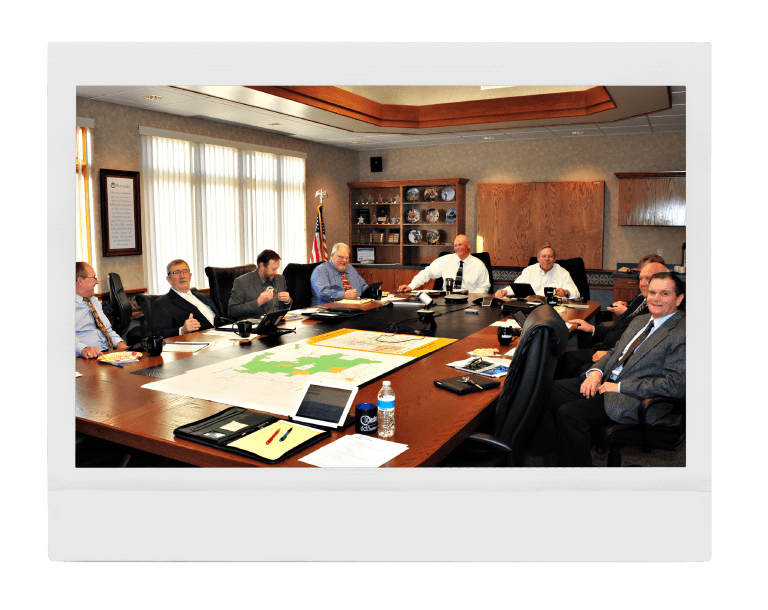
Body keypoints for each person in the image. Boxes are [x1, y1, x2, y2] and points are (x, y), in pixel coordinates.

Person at [544, 272, 685, 466]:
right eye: (652, 292)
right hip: (605, 381)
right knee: (542, 393)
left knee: (569, 414)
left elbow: (675, 385)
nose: (656, 298)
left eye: (664, 293)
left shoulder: (682, 333)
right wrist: (596, 372)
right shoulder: (640, 320)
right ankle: (554, 463)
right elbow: (614, 352)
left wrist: (619, 387)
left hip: (636, 399)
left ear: (679, 299)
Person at [556, 256, 667, 378]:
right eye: (641, 278)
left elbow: (642, 348)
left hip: (615, 356)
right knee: (563, 360)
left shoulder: (657, 310)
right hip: (609, 348)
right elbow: (624, 329)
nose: (643, 283)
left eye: (648, 278)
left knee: (569, 366)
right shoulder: (641, 299)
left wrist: (611, 355)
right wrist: (591, 328)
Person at [397, 235, 491, 294]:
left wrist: (471, 297)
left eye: (460, 244)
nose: (457, 248)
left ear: (468, 245)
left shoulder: (479, 265)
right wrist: (411, 286)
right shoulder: (445, 260)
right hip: (447, 300)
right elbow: (427, 272)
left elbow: (484, 287)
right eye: (455, 245)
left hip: (469, 301)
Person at [152, 259, 221, 338]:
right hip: (198, 341)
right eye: (176, 272)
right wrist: (182, 330)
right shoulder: (162, 303)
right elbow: (160, 333)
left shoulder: (204, 297)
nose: (182, 276)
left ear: (190, 276)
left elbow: (218, 320)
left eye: (185, 271)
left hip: (221, 336)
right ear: (169, 279)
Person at [76, 262, 129, 358]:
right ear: (80, 281)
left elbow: (107, 330)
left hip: (106, 353)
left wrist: (121, 344)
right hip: (85, 357)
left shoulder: (93, 301)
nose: (97, 282)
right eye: (94, 278)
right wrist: (83, 349)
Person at [495, 245, 579, 300]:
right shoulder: (529, 271)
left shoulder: (563, 273)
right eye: (544, 256)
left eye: (550, 256)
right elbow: (517, 287)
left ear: (554, 259)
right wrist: (504, 291)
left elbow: (576, 293)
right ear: (538, 258)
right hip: (531, 307)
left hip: (553, 308)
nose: (547, 259)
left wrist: (566, 293)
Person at [228, 249, 292, 319]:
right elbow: (232, 311)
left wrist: (287, 301)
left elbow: (286, 307)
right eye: (273, 269)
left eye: (277, 269)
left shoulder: (280, 279)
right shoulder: (242, 282)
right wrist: (258, 302)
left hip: (280, 323)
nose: (276, 273)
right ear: (262, 266)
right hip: (256, 324)